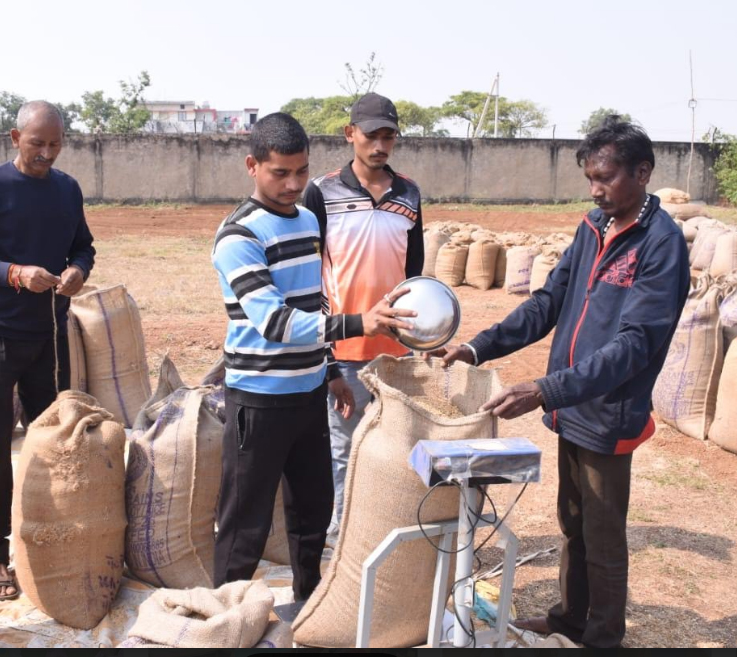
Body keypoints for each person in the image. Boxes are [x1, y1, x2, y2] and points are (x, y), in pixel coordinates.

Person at [431, 116, 690, 649]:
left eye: (607, 177)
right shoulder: (593, 226)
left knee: (602, 535)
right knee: (571, 522)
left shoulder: (660, 244)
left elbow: (635, 345)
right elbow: (548, 302)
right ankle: (570, 620)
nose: (596, 189)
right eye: (591, 177)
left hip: (610, 409)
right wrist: (479, 347)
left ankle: (601, 637)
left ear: (642, 173)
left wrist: (544, 389)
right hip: (572, 405)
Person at [211, 112, 415, 601]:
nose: (293, 183)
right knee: (245, 522)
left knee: (312, 511)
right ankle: (227, 616)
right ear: (252, 166)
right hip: (258, 400)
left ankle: (308, 601)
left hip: (306, 395)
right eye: (280, 173)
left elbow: (313, 302)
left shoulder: (305, 220)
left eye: (301, 171)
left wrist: (328, 372)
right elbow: (278, 324)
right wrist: (359, 324)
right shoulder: (238, 237)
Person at [0, 100, 95, 600]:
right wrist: (14, 274)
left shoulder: (67, 189)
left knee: (53, 444)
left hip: (50, 337)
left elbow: (83, 246)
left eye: (55, 145)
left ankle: (49, 546)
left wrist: (77, 271)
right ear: (14, 137)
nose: (46, 154)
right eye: (37, 144)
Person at [302, 93, 424, 539]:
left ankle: (385, 529)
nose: (380, 145)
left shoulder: (408, 193)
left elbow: (415, 273)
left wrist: (417, 344)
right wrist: (328, 359)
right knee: (344, 447)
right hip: (344, 347)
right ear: (350, 134)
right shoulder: (322, 191)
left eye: (388, 136)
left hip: (395, 352)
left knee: (394, 446)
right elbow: (310, 275)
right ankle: (341, 538)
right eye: (371, 135)